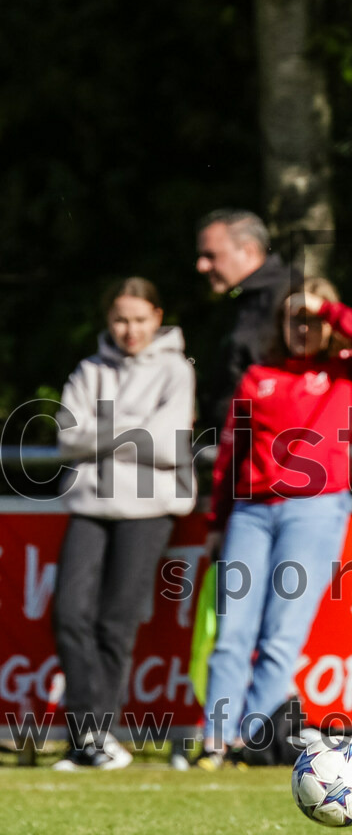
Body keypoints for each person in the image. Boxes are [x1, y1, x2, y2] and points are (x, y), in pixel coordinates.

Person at [194, 277, 352, 769]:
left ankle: (248, 740)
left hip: (315, 509)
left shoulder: (347, 373)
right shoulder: (258, 376)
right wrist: (217, 518)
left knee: (281, 633)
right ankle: (213, 742)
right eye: (293, 318)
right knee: (232, 632)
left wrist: (328, 307)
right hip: (251, 512)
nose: (302, 327)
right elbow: (230, 452)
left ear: (329, 323)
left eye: (312, 318)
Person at [52, 277, 196, 769]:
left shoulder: (176, 369)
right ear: (107, 321)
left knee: (116, 621)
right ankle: (88, 734)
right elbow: (66, 440)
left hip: (150, 508)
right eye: (120, 319)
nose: (129, 330)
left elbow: (168, 441)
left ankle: (98, 736)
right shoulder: (89, 369)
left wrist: (101, 431)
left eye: (139, 319)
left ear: (157, 317)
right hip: (90, 504)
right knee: (69, 614)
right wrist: (134, 426)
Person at [195, 209, 292, 427]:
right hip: (232, 447)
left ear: (248, 251)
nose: (201, 266)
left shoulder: (292, 296)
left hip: (273, 450)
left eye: (211, 255)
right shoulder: (235, 300)